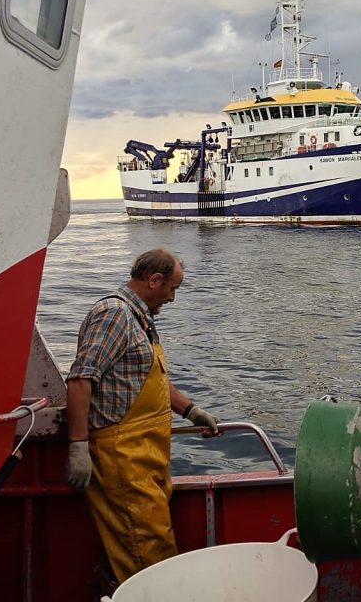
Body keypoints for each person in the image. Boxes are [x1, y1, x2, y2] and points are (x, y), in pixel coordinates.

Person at [64, 248, 221, 583]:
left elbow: (150, 380)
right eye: (172, 289)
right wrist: (78, 446)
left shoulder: (140, 319)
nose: (173, 298)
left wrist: (191, 411)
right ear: (154, 280)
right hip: (121, 459)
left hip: (146, 457)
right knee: (147, 555)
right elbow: (80, 380)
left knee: (151, 545)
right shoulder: (114, 314)